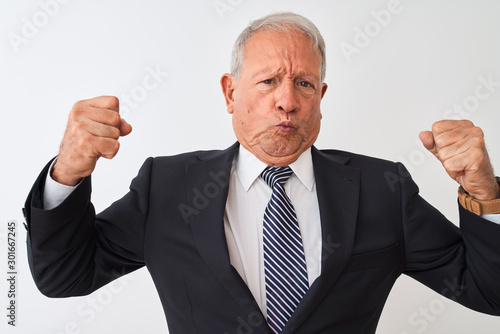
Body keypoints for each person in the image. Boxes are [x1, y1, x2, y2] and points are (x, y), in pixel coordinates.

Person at [24, 12, 500, 334]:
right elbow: (63, 276)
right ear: (231, 93)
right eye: (268, 80)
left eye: (304, 83)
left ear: (321, 97)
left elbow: (489, 291)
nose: (287, 101)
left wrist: (484, 193)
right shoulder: (166, 188)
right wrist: (66, 172)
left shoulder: (383, 189)